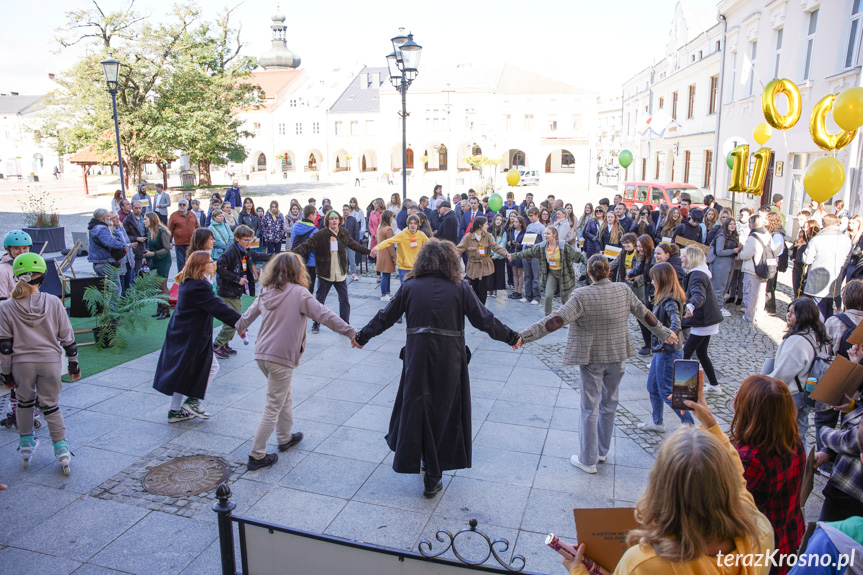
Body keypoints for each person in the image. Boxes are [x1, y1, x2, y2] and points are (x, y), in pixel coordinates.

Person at [354, 239, 520, 497]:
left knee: (419, 408)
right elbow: (485, 320)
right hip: (448, 359)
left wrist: (362, 336)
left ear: (422, 260)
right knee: (444, 412)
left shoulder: (410, 287)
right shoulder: (460, 289)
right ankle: (433, 473)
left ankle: (427, 463)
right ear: (451, 262)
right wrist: (511, 337)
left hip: (418, 356)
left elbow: (385, 317)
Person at [554, 381, 773, 575]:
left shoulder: (645, 563)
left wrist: (578, 569)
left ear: (661, 485)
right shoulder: (760, 532)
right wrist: (710, 424)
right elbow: (739, 480)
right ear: (726, 484)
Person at [515, 255, 677, 474]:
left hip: (592, 358)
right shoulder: (623, 290)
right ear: (608, 272)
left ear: (589, 273)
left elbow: (556, 320)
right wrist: (665, 333)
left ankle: (588, 459)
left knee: (590, 407)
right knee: (609, 404)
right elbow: (644, 314)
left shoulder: (582, 295)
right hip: (617, 355)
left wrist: (524, 336)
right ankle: (601, 451)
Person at [234, 252, 357, 471]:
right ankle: (256, 455)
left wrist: (239, 327)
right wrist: (350, 332)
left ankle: (284, 437)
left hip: (261, 355)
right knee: (273, 404)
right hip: (280, 358)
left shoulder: (264, 291)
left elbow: (244, 319)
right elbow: (325, 315)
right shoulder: (300, 293)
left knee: (284, 395)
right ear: (297, 271)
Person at [0, 253, 81, 474]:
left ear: (17, 277)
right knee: (51, 406)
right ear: (42, 277)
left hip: (21, 363)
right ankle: (61, 448)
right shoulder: (53, 302)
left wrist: (5, 374)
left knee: (25, 403)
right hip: (49, 362)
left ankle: (26, 444)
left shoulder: (6, 307)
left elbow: (5, 346)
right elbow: (68, 337)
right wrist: (73, 363)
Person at [153, 251, 244, 422]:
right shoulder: (199, 285)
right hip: (190, 335)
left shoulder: (191, 281)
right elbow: (217, 307)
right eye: (210, 262)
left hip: (183, 333)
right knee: (212, 367)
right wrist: (241, 322)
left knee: (183, 372)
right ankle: (194, 401)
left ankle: (175, 411)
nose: (213, 264)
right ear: (202, 266)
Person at [728, 375, 805, 574]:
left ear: (750, 412)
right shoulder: (793, 441)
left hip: (763, 544)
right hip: (789, 535)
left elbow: (730, 507)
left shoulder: (750, 459)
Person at [292, 210, 371, 334]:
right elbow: (306, 246)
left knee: (344, 301)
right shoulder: (320, 234)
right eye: (331, 218)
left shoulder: (344, 233)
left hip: (340, 273)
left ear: (340, 220)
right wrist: (291, 254)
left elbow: (354, 245)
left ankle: (345, 325)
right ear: (327, 221)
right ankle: (316, 324)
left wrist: (368, 252)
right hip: (325, 273)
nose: (334, 220)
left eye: (336, 218)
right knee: (319, 301)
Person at [637, 262, 693, 433]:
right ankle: (657, 422)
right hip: (663, 351)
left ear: (661, 279)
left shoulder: (669, 300)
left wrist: (670, 334)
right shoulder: (667, 296)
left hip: (668, 351)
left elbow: (675, 320)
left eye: (654, 279)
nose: (652, 282)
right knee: (652, 387)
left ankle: (691, 428)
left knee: (667, 392)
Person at [768, 298, 831, 443]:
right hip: (807, 392)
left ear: (804, 315)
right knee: (799, 432)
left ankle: (789, 463)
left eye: (793, 312)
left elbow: (782, 373)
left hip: (792, 394)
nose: (788, 315)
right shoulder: (817, 335)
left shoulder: (797, 341)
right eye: (788, 311)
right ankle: (800, 462)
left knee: (783, 435)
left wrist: (760, 384)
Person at [213, 225, 272, 358]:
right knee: (234, 320)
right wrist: (236, 279)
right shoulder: (231, 251)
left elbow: (259, 255)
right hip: (228, 291)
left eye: (249, 240)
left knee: (235, 318)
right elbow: (220, 268)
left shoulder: (245, 250)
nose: (248, 242)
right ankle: (218, 344)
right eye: (245, 239)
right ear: (237, 239)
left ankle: (225, 344)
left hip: (236, 291)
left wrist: (276, 257)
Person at [509, 226, 586, 316]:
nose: (545, 235)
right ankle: (548, 317)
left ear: (554, 235)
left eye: (548, 233)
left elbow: (578, 256)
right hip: (552, 273)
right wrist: (513, 256)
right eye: (545, 233)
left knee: (565, 299)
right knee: (548, 296)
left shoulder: (563, 246)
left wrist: (588, 264)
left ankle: (566, 318)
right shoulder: (542, 246)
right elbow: (528, 252)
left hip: (563, 274)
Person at [681, 246, 723, 394]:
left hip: (704, 320)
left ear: (692, 258)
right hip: (707, 319)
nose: (682, 258)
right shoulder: (699, 273)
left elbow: (699, 296)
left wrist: (691, 306)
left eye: (684, 256)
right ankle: (714, 385)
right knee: (701, 353)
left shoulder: (697, 275)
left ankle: (685, 389)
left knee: (686, 353)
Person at [805, 214, 853, 321]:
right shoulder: (846, 240)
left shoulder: (817, 240)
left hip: (817, 280)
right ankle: (828, 330)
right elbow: (847, 259)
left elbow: (807, 259)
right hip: (835, 278)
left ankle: (820, 332)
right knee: (829, 307)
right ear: (836, 223)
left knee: (818, 309)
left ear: (823, 224)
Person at [454, 216, 509, 305]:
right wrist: (447, 256)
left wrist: (506, 254)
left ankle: (482, 308)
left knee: (483, 289)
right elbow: (458, 249)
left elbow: (495, 246)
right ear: (480, 225)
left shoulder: (488, 236)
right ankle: (476, 307)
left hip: (485, 266)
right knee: (475, 289)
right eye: (486, 224)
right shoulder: (468, 237)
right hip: (473, 267)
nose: (488, 226)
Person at [738, 213, 772, 324]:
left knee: (750, 293)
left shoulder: (753, 237)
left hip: (753, 268)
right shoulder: (767, 234)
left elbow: (746, 254)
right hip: (764, 268)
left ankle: (749, 316)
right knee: (761, 293)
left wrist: (741, 251)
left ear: (753, 224)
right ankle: (758, 315)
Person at [628, 234, 655, 356]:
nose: (639, 249)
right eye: (638, 246)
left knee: (645, 317)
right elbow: (640, 268)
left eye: (641, 246)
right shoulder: (646, 257)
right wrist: (631, 273)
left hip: (653, 291)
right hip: (649, 289)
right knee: (644, 317)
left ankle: (650, 344)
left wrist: (653, 293)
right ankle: (649, 344)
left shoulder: (653, 257)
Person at [143, 212, 172, 320]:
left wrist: (153, 254)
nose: (143, 221)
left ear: (152, 220)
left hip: (163, 261)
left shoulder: (162, 231)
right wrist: (145, 256)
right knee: (156, 286)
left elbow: (166, 248)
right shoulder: (150, 231)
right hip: (155, 260)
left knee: (162, 285)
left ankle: (166, 310)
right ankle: (160, 308)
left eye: (145, 219)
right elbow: (150, 247)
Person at [711, 217, 741, 317]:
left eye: (734, 224)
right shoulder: (722, 236)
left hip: (730, 263)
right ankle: (718, 307)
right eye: (730, 224)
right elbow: (719, 251)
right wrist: (733, 251)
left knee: (726, 286)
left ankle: (718, 306)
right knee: (719, 286)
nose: (732, 226)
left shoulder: (734, 236)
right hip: (721, 263)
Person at [290, 205, 319, 293]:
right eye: (315, 214)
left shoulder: (295, 226)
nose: (316, 216)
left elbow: (292, 242)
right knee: (309, 290)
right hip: (310, 263)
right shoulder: (315, 231)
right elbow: (316, 250)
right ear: (310, 216)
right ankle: (306, 306)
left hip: (296, 261)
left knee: (297, 288)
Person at [167, 198, 198, 273]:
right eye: (180, 204)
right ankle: (181, 281)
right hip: (180, 243)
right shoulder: (174, 215)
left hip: (192, 243)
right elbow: (169, 230)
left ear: (187, 206)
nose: (181, 206)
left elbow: (197, 227)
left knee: (192, 262)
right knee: (181, 264)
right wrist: (169, 241)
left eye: (183, 204)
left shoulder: (192, 214)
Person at [0, 231, 31, 300]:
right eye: (17, 248)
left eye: (25, 248)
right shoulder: (2, 270)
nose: (22, 252)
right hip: (11, 309)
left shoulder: (30, 265)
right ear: (8, 250)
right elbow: (1, 301)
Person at [111, 211, 136, 294]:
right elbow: (119, 245)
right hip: (120, 261)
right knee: (122, 285)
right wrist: (128, 245)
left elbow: (127, 242)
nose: (117, 219)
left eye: (117, 217)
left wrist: (132, 257)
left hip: (128, 259)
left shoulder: (121, 229)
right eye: (114, 217)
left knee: (130, 284)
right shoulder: (110, 232)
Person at [375, 211, 397, 300]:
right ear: (388, 218)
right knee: (385, 275)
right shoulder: (388, 229)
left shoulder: (380, 226)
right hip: (387, 254)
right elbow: (390, 245)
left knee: (386, 274)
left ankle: (387, 293)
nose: (392, 219)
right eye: (391, 217)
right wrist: (394, 257)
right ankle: (384, 294)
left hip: (381, 253)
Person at [506, 215, 526, 300]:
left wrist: (519, 245)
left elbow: (525, 244)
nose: (514, 223)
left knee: (520, 273)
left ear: (521, 223)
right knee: (514, 273)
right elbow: (508, 240)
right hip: (513, 252)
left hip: (520, 253)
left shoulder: (524, 232)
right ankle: (515, 290)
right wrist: (510, 243)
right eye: (514, 222)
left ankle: (519, 291)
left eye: (516, 222)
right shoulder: (511, 231)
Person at [488, 213, 508, 295]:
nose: (498, 221)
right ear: (494, 220)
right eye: (497, 219)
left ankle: (496, 289)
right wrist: (491, 254)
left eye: (500, 220)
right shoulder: (489, 230)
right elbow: (489, 242)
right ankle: (490, 289)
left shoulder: (503, 231)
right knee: (490, 273)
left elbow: (503, 244)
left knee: (498, 273)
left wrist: (496, 255)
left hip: (499, 256)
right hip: (491, 255)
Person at [342, 204, 362, 281]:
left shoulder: (353, 219)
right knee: (343, 258)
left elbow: (356, 232)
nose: (345, 211)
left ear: (349, 210)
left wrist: (356, 242)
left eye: (346, 209)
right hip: (342, 243)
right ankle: (344, 272)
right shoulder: (340, 220)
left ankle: (353, 273)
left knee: (352, 259)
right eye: (344, 210)